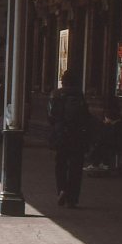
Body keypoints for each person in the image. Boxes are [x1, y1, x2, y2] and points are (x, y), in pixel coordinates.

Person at [47, 69, 92, 208]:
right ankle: (72, 199)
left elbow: (50, 116)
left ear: (63, 81)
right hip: (77, 135)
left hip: (61, 134)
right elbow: (85, 116)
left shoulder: (55, 94)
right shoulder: (79, 95)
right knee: (76, 167)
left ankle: (61, 189)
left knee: (60, 164)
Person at [83, 100, 122, 173]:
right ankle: (100, 163)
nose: (104, 119)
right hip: (115, 143)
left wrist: (106, 126)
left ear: (109, 118)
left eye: (106, 118)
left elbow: (110, 136)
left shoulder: (118, 125)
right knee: (101, 145)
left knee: (101, 146)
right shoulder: (116, 124)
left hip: (120, 145)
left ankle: (96, 164)